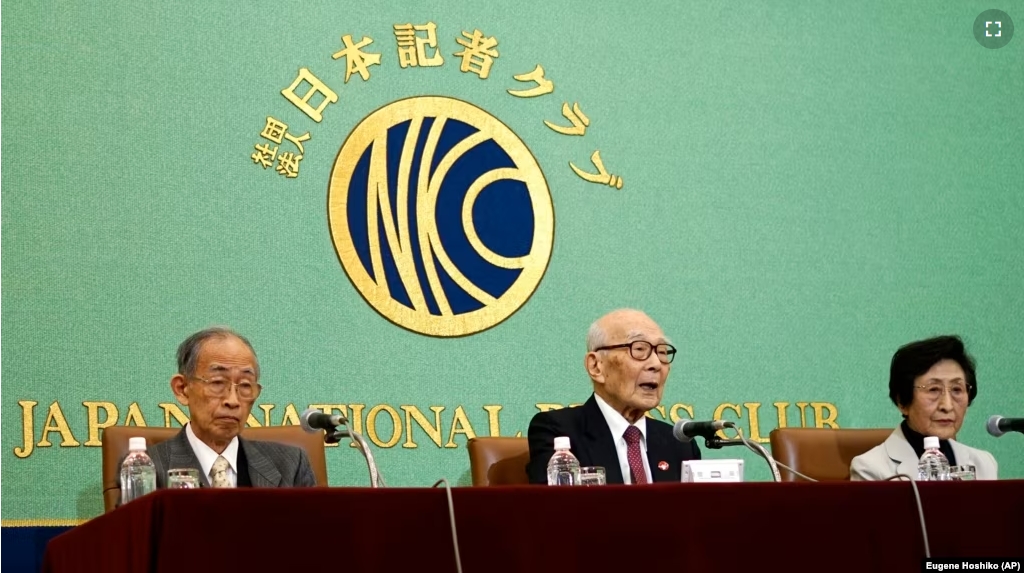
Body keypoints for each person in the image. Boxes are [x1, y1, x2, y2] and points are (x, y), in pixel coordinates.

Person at [526, 309, 700, 484]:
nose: (656, 364)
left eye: (662, 352)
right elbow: (556, 508)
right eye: (639, 349)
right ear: (596, 366)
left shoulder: (679, 443)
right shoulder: (558, 432)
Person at [147, 327, 317, 488]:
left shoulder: (290, 464)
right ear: (182, 389)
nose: (233, 400)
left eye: (244, 385)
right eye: (218, 382)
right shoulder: (146, 470)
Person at [850, 335, 997, 480]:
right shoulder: (871, 468)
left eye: (957, 390)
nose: (947, 405)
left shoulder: (984, 464)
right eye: (933, 390)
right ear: (902, 402)